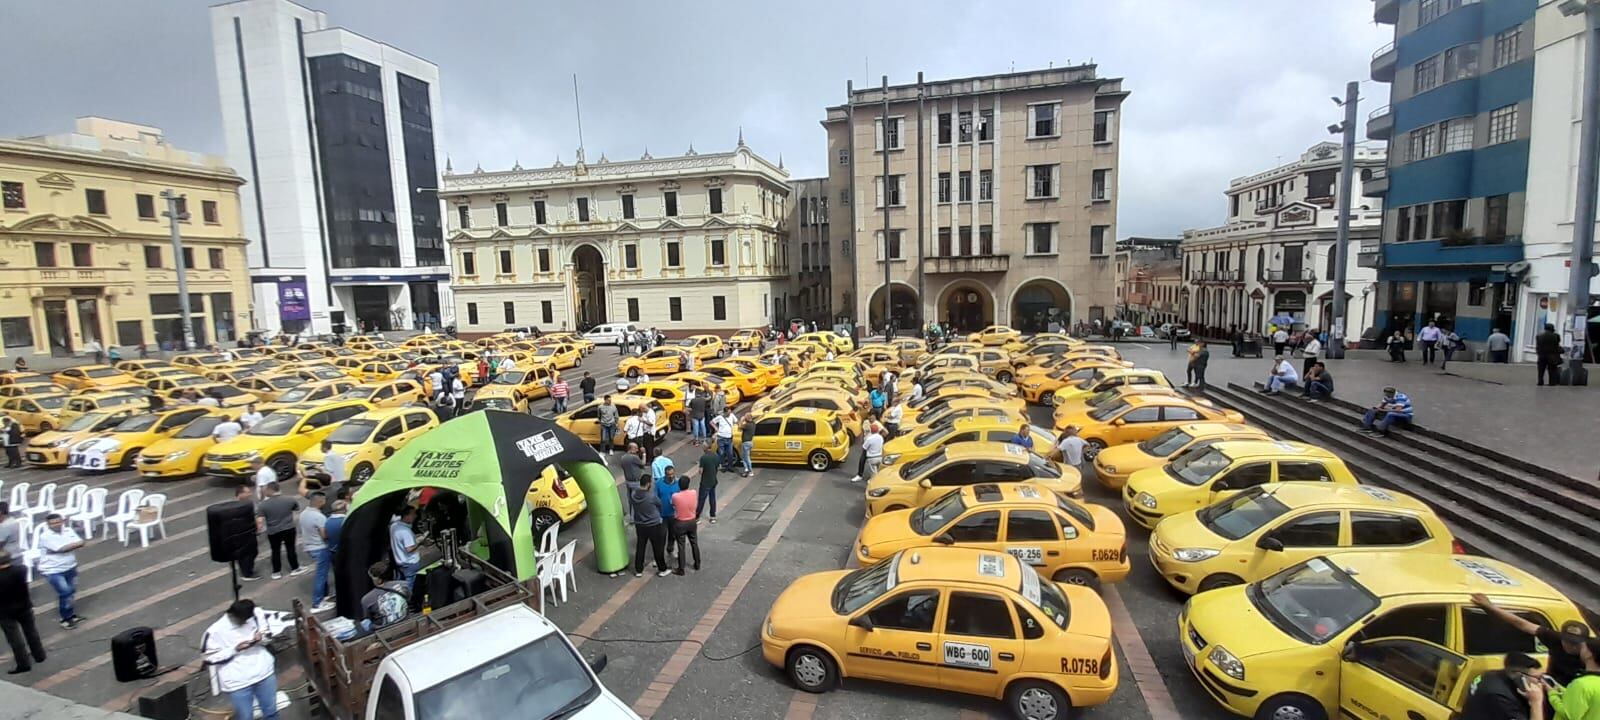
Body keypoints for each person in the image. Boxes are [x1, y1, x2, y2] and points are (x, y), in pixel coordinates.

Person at [1472, 593, 1595, 686]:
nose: (1570, 646)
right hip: (1551, 690)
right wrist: (1490, 606)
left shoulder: (1594, 652)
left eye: (1575, 643)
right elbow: (1522, 624)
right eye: (1567, 641)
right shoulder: (1554, 639)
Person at [202, 599, 279, 720]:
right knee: (245, 717)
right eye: (242, 621)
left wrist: (261, 638)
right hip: (238, 682)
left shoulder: (256, 614)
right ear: (232, 615)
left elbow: (267, 635)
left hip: (264, 673)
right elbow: (209, 658)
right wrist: (235, 649)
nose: (245, 623)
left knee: (271, 712)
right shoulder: (215, 631)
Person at [1458, 651, 1547, 720]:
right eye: (1537, 678)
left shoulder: (1489, 675)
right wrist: (1536, 702)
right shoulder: (1499, 697)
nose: (1541, 682)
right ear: (1519, 676)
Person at [0, 551, 45, 674]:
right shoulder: (21, 570)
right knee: (31, 632)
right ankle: (39, 655)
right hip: (24, 606)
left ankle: (23, 663)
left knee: (14, 638)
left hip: (5, 611)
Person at [36, 514, 84, 628]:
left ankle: (71, 615)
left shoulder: (68, 530)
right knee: (65, 593)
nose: (56, 525)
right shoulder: (45, 536)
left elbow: (81, 542)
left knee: (71, 592)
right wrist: (71, 545)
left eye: (58, 522)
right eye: (53, 523)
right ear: (48, 524)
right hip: (53, 569)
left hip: (70, 566)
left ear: (62, 521)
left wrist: (68, 546)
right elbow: (61, 549)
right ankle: (65, 618)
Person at [255, 482, 303, 580]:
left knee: (275, 551)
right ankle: (295, 568)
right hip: (289, 528)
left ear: (270, 490)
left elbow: (260, 521)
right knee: (290, 549)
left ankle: (276, 572)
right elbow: (296, 509)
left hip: (273, 531)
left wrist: (258, 531)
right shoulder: (290, 499)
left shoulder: (263, 505)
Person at [627, 476, 670, 578]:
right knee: (657, 547)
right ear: (648, 484)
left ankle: (638, 570)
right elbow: (660, 505)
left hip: (640, 524)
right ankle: (662, 569)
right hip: (653, 524)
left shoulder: (633, 495)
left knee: (641, 546)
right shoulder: (651, 496)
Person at [300, 492, 333, 613]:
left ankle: (324, 596)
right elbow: (324, 535)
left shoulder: (304, 513)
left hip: (309, 546)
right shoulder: (319, 517)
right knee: (321, 575)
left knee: (322, 574)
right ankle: (317, 603)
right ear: (320, 501)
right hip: (320, 547)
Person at [1551, 642, 1600, 720]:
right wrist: (1566, 692)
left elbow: (1568, 715)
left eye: (1584, 647)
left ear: (1589, 654)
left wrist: (1552, 695)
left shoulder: (1581, 684)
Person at [359, 560, 410, 630]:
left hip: (383, 630)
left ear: (379, 580)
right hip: (405, 622)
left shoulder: (366, 599)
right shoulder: (404, 585)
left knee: (365, 623)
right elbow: (408, 598)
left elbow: (368, 618)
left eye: (372, 578)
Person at [669, 476, 700, 575]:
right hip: (692, 521)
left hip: (680, 523)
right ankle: (697, 563)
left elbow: (672, 504)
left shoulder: (675, 496)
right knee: (694, 542)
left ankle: (681, 568)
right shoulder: (694, 493)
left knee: (681, 545)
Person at [389, 506, 424, 590]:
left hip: (399, 562)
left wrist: (414, 538)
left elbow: (400, 541)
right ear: (406, 515)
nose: (415, 516)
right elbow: (409, 549)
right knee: (408, 588)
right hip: (410, 563)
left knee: (399, 585)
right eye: (413, 514)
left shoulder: (394, 526)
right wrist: (420, 542)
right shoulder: (405, 531)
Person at [232, 485, 262, 581]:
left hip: (250, 531)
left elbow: (256, 514)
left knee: (253, 551)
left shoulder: (250, 503)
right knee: (246, 553)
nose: (250, 494)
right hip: (240, 534)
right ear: (240, 494)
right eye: (247, 492)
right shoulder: (233, 507)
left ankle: (247, 569)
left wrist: (258, 527)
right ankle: (247, 573)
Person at [696, 443, 720, 523]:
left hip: (705, 482)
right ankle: (713, 516)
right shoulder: (716, 456)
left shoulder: (703, 457)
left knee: (701, 500)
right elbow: (718, 467)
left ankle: (697, 517)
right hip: (713, 480)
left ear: (705, 448)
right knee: (712, 498)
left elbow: (700, 471)